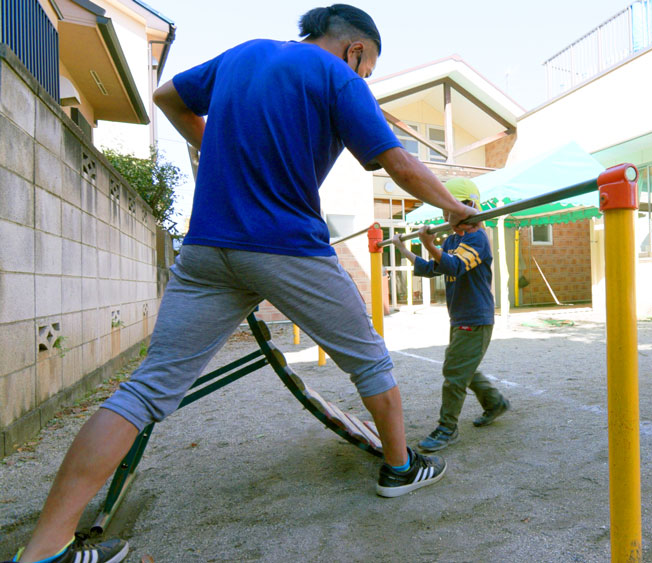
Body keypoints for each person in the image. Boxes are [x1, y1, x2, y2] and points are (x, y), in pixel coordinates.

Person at [7, 6, 476, 563]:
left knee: (147, 388)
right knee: (370, 360)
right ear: (355, 51)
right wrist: (454, 207)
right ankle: (400, 468)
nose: (365, 77)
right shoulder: (339, 78)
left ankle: (44, 549)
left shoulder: (243, 55)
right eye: (368, 67)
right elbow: (396, 165)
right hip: (285, 245)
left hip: (208, 246)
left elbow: (168, 99)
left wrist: (207, 145)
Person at [390, 179, 510, 452]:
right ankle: (495, 403)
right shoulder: (456, 238)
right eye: (443, 211)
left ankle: (447, 428)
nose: (445, 217)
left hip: (476, 317)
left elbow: (453, 265)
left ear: (468, 207)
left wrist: (429, 244)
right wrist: (403, 248)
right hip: (460, 316)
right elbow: (434, 268)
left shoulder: (477, 238)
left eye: (449, 210)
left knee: (454, 372)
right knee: (462, 367)